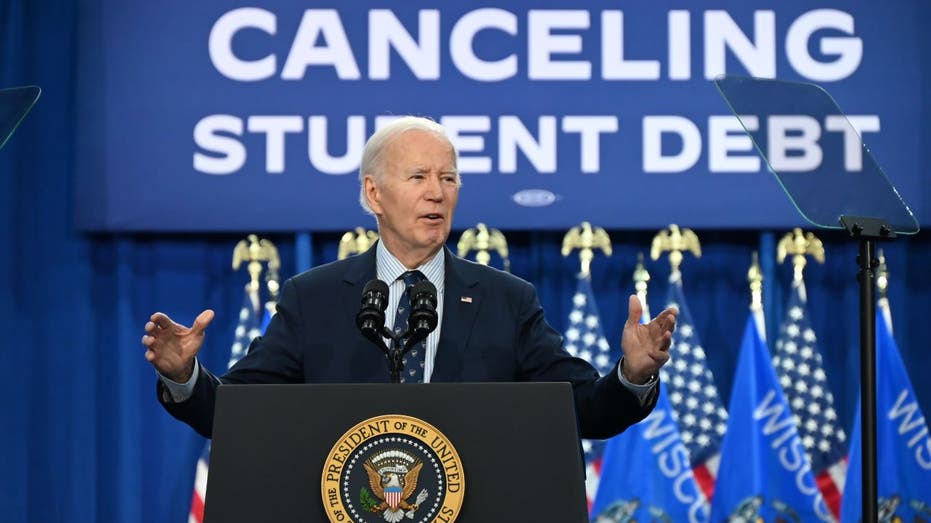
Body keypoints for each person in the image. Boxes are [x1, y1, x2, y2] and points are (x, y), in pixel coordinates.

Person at [143, 116, 678, 439]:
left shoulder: (505, 300)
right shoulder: (315, 299)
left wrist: (631, 373)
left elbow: (582, 408)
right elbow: (238, 413)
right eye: (419, 177)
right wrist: (184, 376)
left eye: (448, 178)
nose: (437, 192)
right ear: (374, 194)